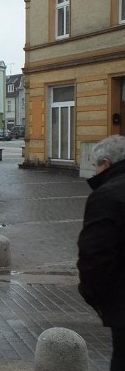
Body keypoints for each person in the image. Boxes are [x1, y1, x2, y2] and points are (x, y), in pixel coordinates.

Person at [78, 134, 125, 370]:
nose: (94, 171)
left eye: (95, 165)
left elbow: (95, 256)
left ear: (106, 163)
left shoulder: (106, 196)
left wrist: (93, 295)